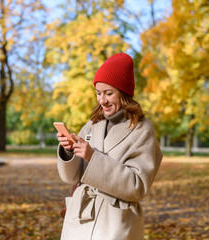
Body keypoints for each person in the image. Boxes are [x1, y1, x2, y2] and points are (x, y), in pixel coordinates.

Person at [56, 53, 163, 240]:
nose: (102, 100)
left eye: (108, 93)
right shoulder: (91, 126)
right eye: (98, 93)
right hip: (81, 219)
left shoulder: (143, 130)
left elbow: (137, 186)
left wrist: (92, 157)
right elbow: (72, 177)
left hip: (115, 222)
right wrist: (69, 151)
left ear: (123, 93)